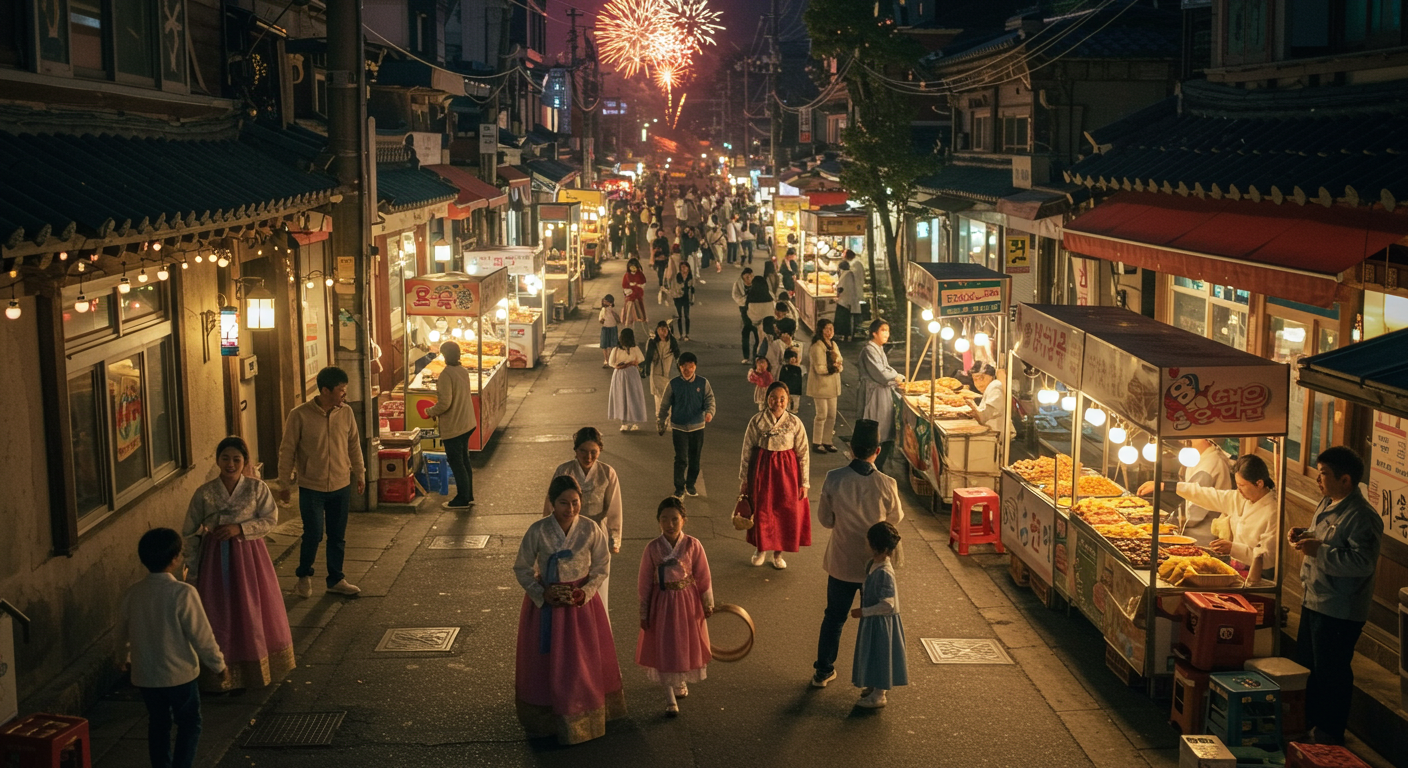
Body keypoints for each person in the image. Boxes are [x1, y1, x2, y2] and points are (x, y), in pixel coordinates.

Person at [515, 476, 626, 745]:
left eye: (575, 502)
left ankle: (586, 713)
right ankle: (547, 719)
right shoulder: (538, 531)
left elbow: (601, 566)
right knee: (547, 663)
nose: (570, 508)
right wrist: (543, 593)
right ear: (552, 503)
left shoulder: (589, 529)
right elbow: (522, 568)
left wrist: (585, 592)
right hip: (547, 606)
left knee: (582, 661)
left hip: (581, 606)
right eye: (563, 502)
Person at [182, 436, 294, 692]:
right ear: (217, 460)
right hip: (214, 558)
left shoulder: (257, 488)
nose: (230, 464)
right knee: (218, 609)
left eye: (236, 459)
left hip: (249, 556)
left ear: (245, 462)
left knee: (251, 606)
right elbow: (189, 530)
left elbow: (269, 519)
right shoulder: (205, 492)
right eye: (225, 458)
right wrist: (192, 566)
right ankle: (220, 672)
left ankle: (254, 669)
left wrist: (239, 528)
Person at [1291, 446, 1383, 746]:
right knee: (1310, 667)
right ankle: (1310, 725)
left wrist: (1320, 550)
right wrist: (1304, 534)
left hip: (1339, 607)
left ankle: (1330, 732)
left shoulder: (1362, 517)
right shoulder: (1329, 501)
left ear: (1346, 480)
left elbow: (1362, 563)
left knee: (1332, 672)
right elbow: (1323, 535)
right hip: (1314, 597)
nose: (1319, 480)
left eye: (1323, 474)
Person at [116, 528, 228, 768]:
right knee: (189, 723)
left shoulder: (133, 593)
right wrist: (218, 665)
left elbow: (122, 631)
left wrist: (122, 656)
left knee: (158, 723)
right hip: (180, 675)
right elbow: (202, 636)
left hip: (146, 675)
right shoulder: (183, 593)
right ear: (175, 559)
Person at [811, 419, 904, 688]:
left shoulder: (834, 478)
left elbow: (826, 520)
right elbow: (895, 519)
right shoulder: (887, 483)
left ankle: (823, 671)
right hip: (873, 566)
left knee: (834, 618)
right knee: (875, 621)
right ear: (877, 450)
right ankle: (875, 682)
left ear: (851, 448)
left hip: (841, 561)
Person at [278, 366, 365, 598]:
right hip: (311, 486)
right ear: (325, 390)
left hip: (341, 484)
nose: (344, 395)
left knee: (337, 535)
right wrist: (283, 483)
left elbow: (354, 444)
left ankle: (336, 579)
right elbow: (287, 450)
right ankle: (303, 577)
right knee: (313, 533)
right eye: (341, 390)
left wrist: (360, 472)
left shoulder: (345, 413)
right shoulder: (299, 415)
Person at [636, 496, 714, 717]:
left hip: (687, 602)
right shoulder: (652, 548)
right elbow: (644, 583)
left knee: (682, 642)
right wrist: (644, 611)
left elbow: (703, 576)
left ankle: (679, 679)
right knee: (664, 645)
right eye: (664, 519)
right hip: (661, 603)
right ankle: (669, 694)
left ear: (684, 520)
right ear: (658, 521)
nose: (670, 524)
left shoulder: (693, 545)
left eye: (674, 519)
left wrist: (707, 603)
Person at [1138, 455, 1279, 577]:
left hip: (1259, 577)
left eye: (1242, 485)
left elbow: (1268, 558)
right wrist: (1166, 486)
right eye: (1237, 485)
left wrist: (1233, 548)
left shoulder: (1273, 512)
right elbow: (1207, 495)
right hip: (1235, 567)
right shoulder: (1240, 498)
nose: (1239, 490)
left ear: (1259, 483)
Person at [740, 381, 812, 569]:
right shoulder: (756, 420)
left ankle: (778, 554)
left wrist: (804, 482)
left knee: (785, 511)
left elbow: (803, 452)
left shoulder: (795, 422)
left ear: (788, 400)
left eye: (782, 399)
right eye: (773, 398)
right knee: (762, 509)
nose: (777, 402)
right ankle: (760, 549)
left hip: (788, 472)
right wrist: (744, 479)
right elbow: (747, 450)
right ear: (767, 399)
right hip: (762, 469)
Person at [851, 521, 908, 709]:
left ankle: (879, 695)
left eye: (870, 543)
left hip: (881, 622)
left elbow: (887, 605)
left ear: (880, 547)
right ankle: (875, 686)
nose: (867, 545)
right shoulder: (873, 564)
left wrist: (864, 612)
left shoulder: (885, 573)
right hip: (874, 621)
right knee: (874, 653)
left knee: (882, 655)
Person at [657, 352, 716, 499]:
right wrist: (661, 420)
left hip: (698, 426)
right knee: (681, 458)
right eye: (684, 366)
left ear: (695, 366)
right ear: (679, 367)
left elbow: (710, 399)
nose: (687, 369)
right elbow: (664, 404)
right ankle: (679, 487)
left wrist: (709, 413)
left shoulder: (703, 383)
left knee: (695, 458)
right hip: (678, 427)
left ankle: (690, 485)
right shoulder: (673, 384)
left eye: (690, 366)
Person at [427, 341, 477, 509]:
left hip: (455, 425)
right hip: (467, 422)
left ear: (445, 355)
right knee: (464, 460)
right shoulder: (463, 371)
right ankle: (468, 494)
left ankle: (462, 498)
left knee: (457, 462)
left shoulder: (446, 375)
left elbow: (445, 403)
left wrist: (430, 411)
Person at [858, 320, 905, 474]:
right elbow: (880, 373)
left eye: (887, 330)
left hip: (883, 391)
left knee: (885, 430)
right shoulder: (869, 350)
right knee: (875, 429)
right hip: (875, 393)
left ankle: (878, 465)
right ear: (874, 333)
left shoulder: (878, 349)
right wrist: (896, 377)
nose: (886, 334)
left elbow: (887, 370)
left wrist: (897, 378)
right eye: (883, 330)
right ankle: (871, 466)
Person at [808, 318, 844, 453]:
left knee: (832, 415)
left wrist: (837, 366)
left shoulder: (833, 344)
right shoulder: (817, 346)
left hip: (833, 386)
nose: (829, 332)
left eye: (831, 329)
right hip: (820, 385)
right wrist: (834, 367)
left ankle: (827, 440)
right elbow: (820, 368)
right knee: (821, 414)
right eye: (827, 329)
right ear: (821, 330)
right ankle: (817, 442)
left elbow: (840, 361)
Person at [607, 328, 649, 431]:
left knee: (633, 397)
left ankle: (634, 421)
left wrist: (628, 364)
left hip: (631, 374)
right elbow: (612, 363)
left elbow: (640, 360)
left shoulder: (634, 349)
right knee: (622, 397)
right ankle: (624, 422)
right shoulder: (616, 349)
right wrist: (629, 363)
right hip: (621, 375)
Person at [643, 320, 680, 416]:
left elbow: (677, 355)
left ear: (668, 330)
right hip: (656, 373)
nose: (663, 332)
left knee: (670, 397)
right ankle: (660, 418)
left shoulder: (672, 341)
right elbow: (648, 357)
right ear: (657, 330)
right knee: (658, 397)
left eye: (665, 329)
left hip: (669, 373)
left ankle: (669, 419)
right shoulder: (652, 342)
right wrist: (645, 370)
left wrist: (681, 369)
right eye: (660, 329)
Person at [965, 362, 1008, 437]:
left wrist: (972, 406)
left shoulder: (995, 386)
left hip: (997, 436)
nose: (979, 383)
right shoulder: (990, 388)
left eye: (982, 378)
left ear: (991, 376)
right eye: (975, 379)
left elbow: (983, 417)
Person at [733, 268, 760, 364]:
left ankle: (756, 356)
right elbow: (736, 296)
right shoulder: (738, 284)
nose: (749, 278)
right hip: (744, 310)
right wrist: (746, 301)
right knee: (747, 330)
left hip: (756, 311)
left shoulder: (756, 284)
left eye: (751, 276)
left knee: (757, 335)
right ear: (743, 276)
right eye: (747, 276)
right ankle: (746, 357)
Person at [835, 261, 861, 342]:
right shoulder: (850, 274)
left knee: (842, 319)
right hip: (849, 300)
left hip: (844, 301)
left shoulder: (846, 275)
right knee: (848, 319)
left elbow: (841, 287)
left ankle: (843, 335)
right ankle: (847, 336)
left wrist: (837, 292)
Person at [669, 261, 695, 342]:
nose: (683, 269)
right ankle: (680, 335)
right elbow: (674, 287)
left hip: (686, 298)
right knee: (679, 316)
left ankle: (687, 334)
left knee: (687, 316)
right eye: (682, 267)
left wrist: (692, 298)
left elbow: (692, 289)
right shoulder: (677, 277)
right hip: (678, 298)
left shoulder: (690, 277)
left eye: (685, 267)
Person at [621, 259, 648, 330]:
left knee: (640, 313)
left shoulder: (640, 275)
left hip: (638, 298)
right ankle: (627, 326)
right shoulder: (626, 275)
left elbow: (643, 284)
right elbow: (625, 287)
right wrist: (632, 290)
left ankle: (641, 326)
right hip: (630, 298)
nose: (633, 268)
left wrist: (636, 288)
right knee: (629, 311)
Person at [779, 349, 804, 413]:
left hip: (796, 390)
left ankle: (793, 412)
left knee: (795, 404)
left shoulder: (798, 369)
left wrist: (799, 391)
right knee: (787, 404)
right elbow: (781, 379)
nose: (793, 359)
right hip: (787, 390)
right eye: (791, 358)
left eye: (794, 357)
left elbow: (799, 381)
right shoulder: (785, 368)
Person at [598, 295, 620, 367]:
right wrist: (602, 320)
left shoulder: (614, 309)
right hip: (605, 328)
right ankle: (606, 359)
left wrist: (612, 312)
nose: (605, 303)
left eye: (607, 301)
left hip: (613, 327)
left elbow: (618, 320)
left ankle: (612, 359)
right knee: (605, 345)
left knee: (613, 345)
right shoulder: (603, 310)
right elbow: (600, 320)